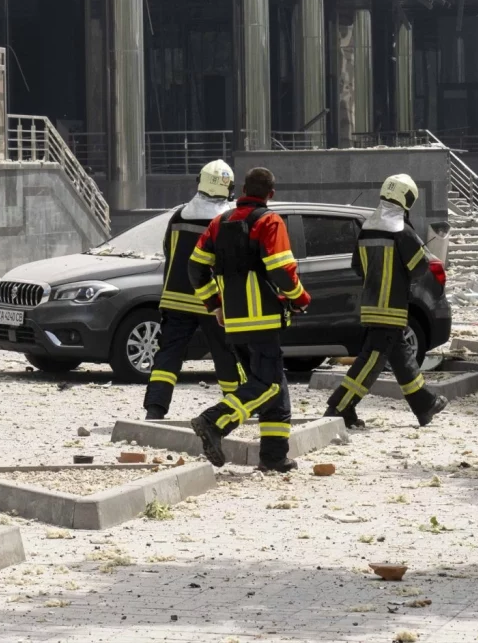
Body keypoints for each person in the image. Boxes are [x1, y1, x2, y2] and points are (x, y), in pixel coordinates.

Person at [187, 167, 310, 472]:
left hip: (234, 322)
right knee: (267, 385)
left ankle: (274, 456)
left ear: (242, 189)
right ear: (271, 194)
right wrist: (299, 298)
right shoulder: (269, 221)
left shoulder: (219, 222)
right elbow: (281, 269)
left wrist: (215, 304)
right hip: (264, 318)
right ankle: (214, 421)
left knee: (275, 387)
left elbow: (195, 268)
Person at [323, 174, 448, 430]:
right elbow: (419, 268)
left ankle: (425, 405)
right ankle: (339, 406)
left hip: (370, 307)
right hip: (391, 309)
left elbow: (357, 267)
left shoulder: (367, 229)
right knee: (370, 362)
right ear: (406, 199)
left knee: (402, 360)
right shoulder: (403, 232)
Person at [143, 160, 242, 420]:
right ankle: (235, 406)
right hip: (213, 301)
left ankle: (155, 409)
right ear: (228, 187)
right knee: (225, 354)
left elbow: (169, 251)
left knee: (168, 355)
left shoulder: (179, 216)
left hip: (176, 298)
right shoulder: (227, 220)